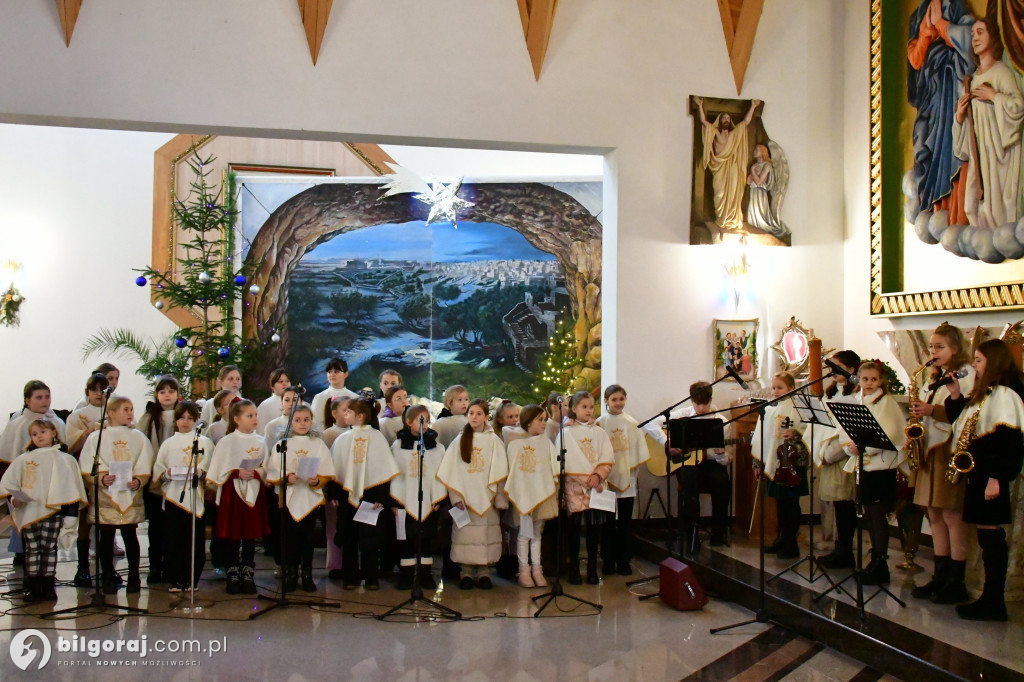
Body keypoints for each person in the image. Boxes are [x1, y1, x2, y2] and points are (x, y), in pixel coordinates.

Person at [944, 339, 1024, 621]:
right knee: (986, 534)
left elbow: (1008, 440)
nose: (974, 365)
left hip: (992, 474)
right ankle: (990, 598)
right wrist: (955, 395)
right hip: (980, 472)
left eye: (978, 360)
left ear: (994, 361)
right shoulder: (988, 393)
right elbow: (966, 424)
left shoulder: (1004, 394)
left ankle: (993, 600)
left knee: (991, 537)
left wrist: (996, 478)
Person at [910, 323, 974, 602]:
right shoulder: (932, 375)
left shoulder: (966, 374)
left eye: (940, 347)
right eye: (932, 346)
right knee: (933, 514)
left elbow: (967, 413)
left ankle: (956, 580)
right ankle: (940, 574)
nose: (933, 352)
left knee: (950, 515)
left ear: (956, 349)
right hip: (930, 448)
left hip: (949, 450)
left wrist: (932, 410)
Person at [0, 420, 87, 602]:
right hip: (29, 510)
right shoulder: (24, 459)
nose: (39, 436)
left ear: (53, 432)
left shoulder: (65, 459)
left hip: (52, 511)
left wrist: (69, 514)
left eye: (43, 431)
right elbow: (9, 483)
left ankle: (48, 586)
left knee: (49, 548)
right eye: (34, 434)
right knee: (32, 548)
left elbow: (71, 487)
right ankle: (33, 586)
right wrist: (13, 498)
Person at [906, 0, 976, 221]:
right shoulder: (918, 15)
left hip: (950, 85)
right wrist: (927, 31)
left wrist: (942, 25)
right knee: (924, 141)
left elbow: (970, 40)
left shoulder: (955, 6)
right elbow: (915, 61)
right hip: (929, 93)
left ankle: (952, 208)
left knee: (949, 141)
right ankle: (932, 208)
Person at [953, 15, 1024, 229]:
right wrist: (959, 116)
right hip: (980, 155)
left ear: (992, 37)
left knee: (998, 209)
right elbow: (968, 134)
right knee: (971, 206)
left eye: (980, 32)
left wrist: (994, 97)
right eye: (973, 33)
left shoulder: (1001, 72)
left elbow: (1018, 106)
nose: (974, 37)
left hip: (1001, 154)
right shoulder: (972, 80)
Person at [840, 362, 907, 585]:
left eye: (873, 380)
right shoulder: (858, 401)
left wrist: (863, 446)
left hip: (881, 468)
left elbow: (891, 435)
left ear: (881, 381)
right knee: (869, 514)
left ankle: (880, 564)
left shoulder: (886, 403)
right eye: (864, 379)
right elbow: (846, 430)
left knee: (877, 516)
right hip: (865, 466)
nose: (868, 384)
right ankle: (874, 563)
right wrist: (849, 446)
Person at [79, 395, 154, 594]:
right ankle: (107, 575)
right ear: (111, 413)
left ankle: (134, 577)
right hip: (107, 495)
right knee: (106, 536)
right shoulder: (98, 437)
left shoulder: (138, 437)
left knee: (130, 536)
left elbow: (145, 461)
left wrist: (139, 480)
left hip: (130, 494)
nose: (131, 413)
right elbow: (88, 463)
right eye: (125, 409)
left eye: (131, 409)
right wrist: (102, 478)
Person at [437, 399, 509, 590]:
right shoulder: (460, 440)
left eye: (478, 413)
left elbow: (500, 471)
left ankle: (484, 572)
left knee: (485, 535)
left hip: (488, 496)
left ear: (487, 417)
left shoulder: (494, 441)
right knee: (465, 536)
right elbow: (451, 472)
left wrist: (499, 497)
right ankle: (466, 572)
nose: (474, 417)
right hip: (465, 499)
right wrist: (456, 498)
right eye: (471, 413)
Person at [331, 395, 398, 590]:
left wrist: (380, 497)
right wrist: (334, 494)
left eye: (348, 412)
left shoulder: (377, 438)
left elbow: (383, 469)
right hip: (347, 495)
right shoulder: (343, 439)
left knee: (370, 539)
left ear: (360, 416)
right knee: (349, 537)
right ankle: (350, 577)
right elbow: (336, 469)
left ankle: (371, 577)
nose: (345, 414)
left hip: (371, 495)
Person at [265, 404, 334, 592]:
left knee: (307, 538)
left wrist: (316, 480)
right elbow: (274, 470)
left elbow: (327, 470)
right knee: (290, 539)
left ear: (311, 421)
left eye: (306, 420)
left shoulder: (317, 444)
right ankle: (291, 573)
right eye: (297, 420)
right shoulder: (282, 445)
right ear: (290, 422)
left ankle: (307, 574)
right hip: (289, 497)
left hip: (310, 498)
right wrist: (286, 477)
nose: (302, 424)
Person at [205, 399, 270, 595]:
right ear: (237, 419)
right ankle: (232, 571)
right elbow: (218, 470)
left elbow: (268, 468)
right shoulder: (227, 442)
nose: (254, 419)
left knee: (249, 535)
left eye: (255, 415)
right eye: (249, 416)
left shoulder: (262, 441)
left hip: (254, 492)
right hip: (232, 495)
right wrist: (236, 473)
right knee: (232, 534)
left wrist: (257, 473)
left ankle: (248, 571)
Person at [151, 401, 213, 593]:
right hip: (174, 497)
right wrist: (167, 473)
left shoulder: (205, 442)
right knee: (174, 539)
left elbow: (211, 467)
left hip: (196, 497)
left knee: (194, 541)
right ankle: (176, 579)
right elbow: (158, 469)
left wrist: (201, 473)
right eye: (181, 418)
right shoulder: (168, 444)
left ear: (196, 421)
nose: (185, 422)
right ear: (176, 420)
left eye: (190, 418)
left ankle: (192, 579)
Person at [556, 390, 615, 584]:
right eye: (584, 407)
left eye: (591, 407)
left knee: (593, 530)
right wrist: (584, 479)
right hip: (575, 489)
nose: (589, 411)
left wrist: (598, 475)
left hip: (595, 487)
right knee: (574, 531)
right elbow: (565, 460)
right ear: (573, 408)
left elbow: (607, 456)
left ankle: (591, 567)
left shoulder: (599, 432)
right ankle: (574, 566)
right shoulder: (566, 433)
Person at [389, 404, 448, 590]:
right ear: (408, 422)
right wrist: (394, 501)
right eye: (420, 421)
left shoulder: (436, 447)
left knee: (426, 538)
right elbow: (393, 474)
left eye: (428, 421)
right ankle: (406, 575)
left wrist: (439, 498)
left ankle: (425, 574)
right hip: (404, 499)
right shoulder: (398, 446)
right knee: (406, 538)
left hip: (429, 500)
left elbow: (440, 473)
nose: (425, 425)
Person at [752, 372, 808, 560]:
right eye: (774, 387)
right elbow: (762, 437)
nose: (776, 391)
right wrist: (758, 461)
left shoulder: (799, 407)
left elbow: (809, 432)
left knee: (791, 503)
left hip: (791, 463)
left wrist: (795, 435)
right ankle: (781, 538)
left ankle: (791, 542)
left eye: (780, 388)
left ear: (791, 389)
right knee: (780, 503)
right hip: (775, 462)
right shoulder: (769, 409)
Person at [815, 351, 861, 569]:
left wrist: (832, 453)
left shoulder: (854, 396)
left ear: (851, 370)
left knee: (844, 504)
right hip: (828, 452)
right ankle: (837, 547)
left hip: (843, 456)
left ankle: (845, 550)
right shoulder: (830, 394)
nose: (832, 371)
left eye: (837, 366)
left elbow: (848, 432)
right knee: (835, 502)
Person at [596, 385, 649, 575]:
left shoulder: (631, 423)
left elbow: (637, 450)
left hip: (627, 477)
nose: (618, 403)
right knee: (608, 522)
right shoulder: (600, 423)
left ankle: (624, 560)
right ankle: (608, 559)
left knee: (625, 522)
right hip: (607, 479)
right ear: (606, 401)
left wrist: (632, 467)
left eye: (621, 399)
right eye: (614, 399)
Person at [504, 405, 558, 588]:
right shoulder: (515, 444)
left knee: (536, 534)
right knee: (524, 534)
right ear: (528, 422)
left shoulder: (546, 443)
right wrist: (521, 490)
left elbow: (552, 467)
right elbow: (514, 472)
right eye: (540, 420)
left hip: (540, 494)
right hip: (523, 494)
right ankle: (523, 569)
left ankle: (537, 569)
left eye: (545, 419)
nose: (544, 423)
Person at [64, 373, 110, 586]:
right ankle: (83, 567)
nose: (99, 394)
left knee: (106, 518)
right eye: (94, 390)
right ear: (87, 392)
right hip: (83, 470)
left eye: (103, 389)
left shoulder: (115, 411)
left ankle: (106, 567)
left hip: (108, 471)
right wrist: (88, 431)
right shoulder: (77, 416)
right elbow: (69, 444)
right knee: (84, 517)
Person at [136, 375, 181, 586]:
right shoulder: (148, 417)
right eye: (162, 391)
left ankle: (173, 565)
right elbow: (140, 443)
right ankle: (155, 565)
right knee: (156, 525)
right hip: (155, 478)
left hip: (178, 478)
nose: (167, 395)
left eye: (171, 391)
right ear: (156, 395)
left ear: (178, 394)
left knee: (174, 525)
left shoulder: (184, 414)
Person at [695, 96, 762, 230]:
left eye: (727, 118)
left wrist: (753, 106)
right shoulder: (715, 132)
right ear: (720, 121)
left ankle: (732, 220)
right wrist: (699, 105)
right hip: (719, 167)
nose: (726, 120)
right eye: (723, 118)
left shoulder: (734, 134)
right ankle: (721, 219)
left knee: (732, 195)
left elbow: (746, 122)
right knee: (719, 195)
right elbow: (703, 121)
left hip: (733, 169)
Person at [310, 358, 358, 432]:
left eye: (336, 371)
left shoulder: (354, 397)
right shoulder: (319, 397)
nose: (332, 375)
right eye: (329, 372)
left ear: (346, 374)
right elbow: (315, 423)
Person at [199, 365, 244, 429]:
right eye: (230, 379)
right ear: (220, 382)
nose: (235, 382)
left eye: (238, 379)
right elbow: (203, 429)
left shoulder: (245, 403)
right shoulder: (210, 404)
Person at [256, 367, 291, 431]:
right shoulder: (265, 406)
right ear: (272, 386)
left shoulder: (300, 403)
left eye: (287, 381)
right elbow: (261, 431)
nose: (284, 384)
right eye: (280, 382)